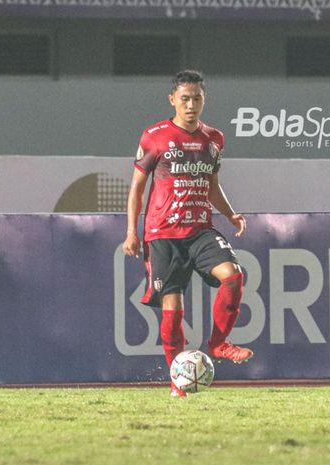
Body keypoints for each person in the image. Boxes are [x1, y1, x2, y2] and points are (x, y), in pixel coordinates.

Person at [122, 70, 253, 397]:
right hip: (163, 234)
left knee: (233, 276)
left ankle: (219, 344)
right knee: (173, 310)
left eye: (196, 98)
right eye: (185, 98)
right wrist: (132, 232)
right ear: (173, 100)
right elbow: (137, 189)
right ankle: (177, 383)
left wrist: (230, 213)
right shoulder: (155, 136)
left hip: (199, 231)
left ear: (203, 99)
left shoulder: (214, 139)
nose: (191, 104)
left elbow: (211, 185)